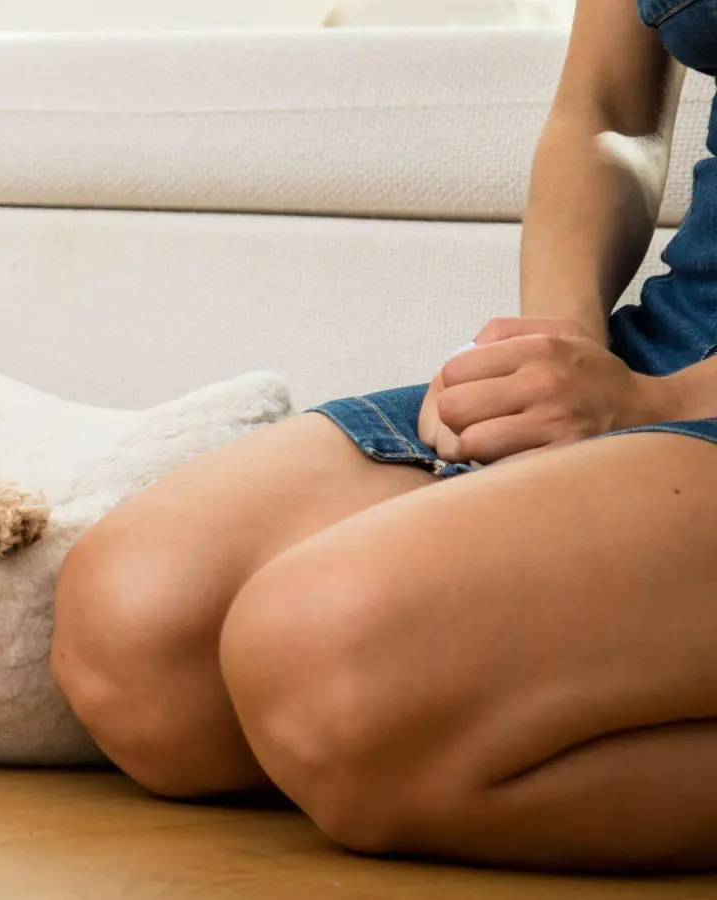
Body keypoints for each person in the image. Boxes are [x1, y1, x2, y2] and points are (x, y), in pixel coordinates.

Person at [50, 0, 717, 872]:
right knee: (140, 646)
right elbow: (606, 112)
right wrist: (554, 354)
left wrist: (657, 406)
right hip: (674, 336)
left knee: (328, 675)